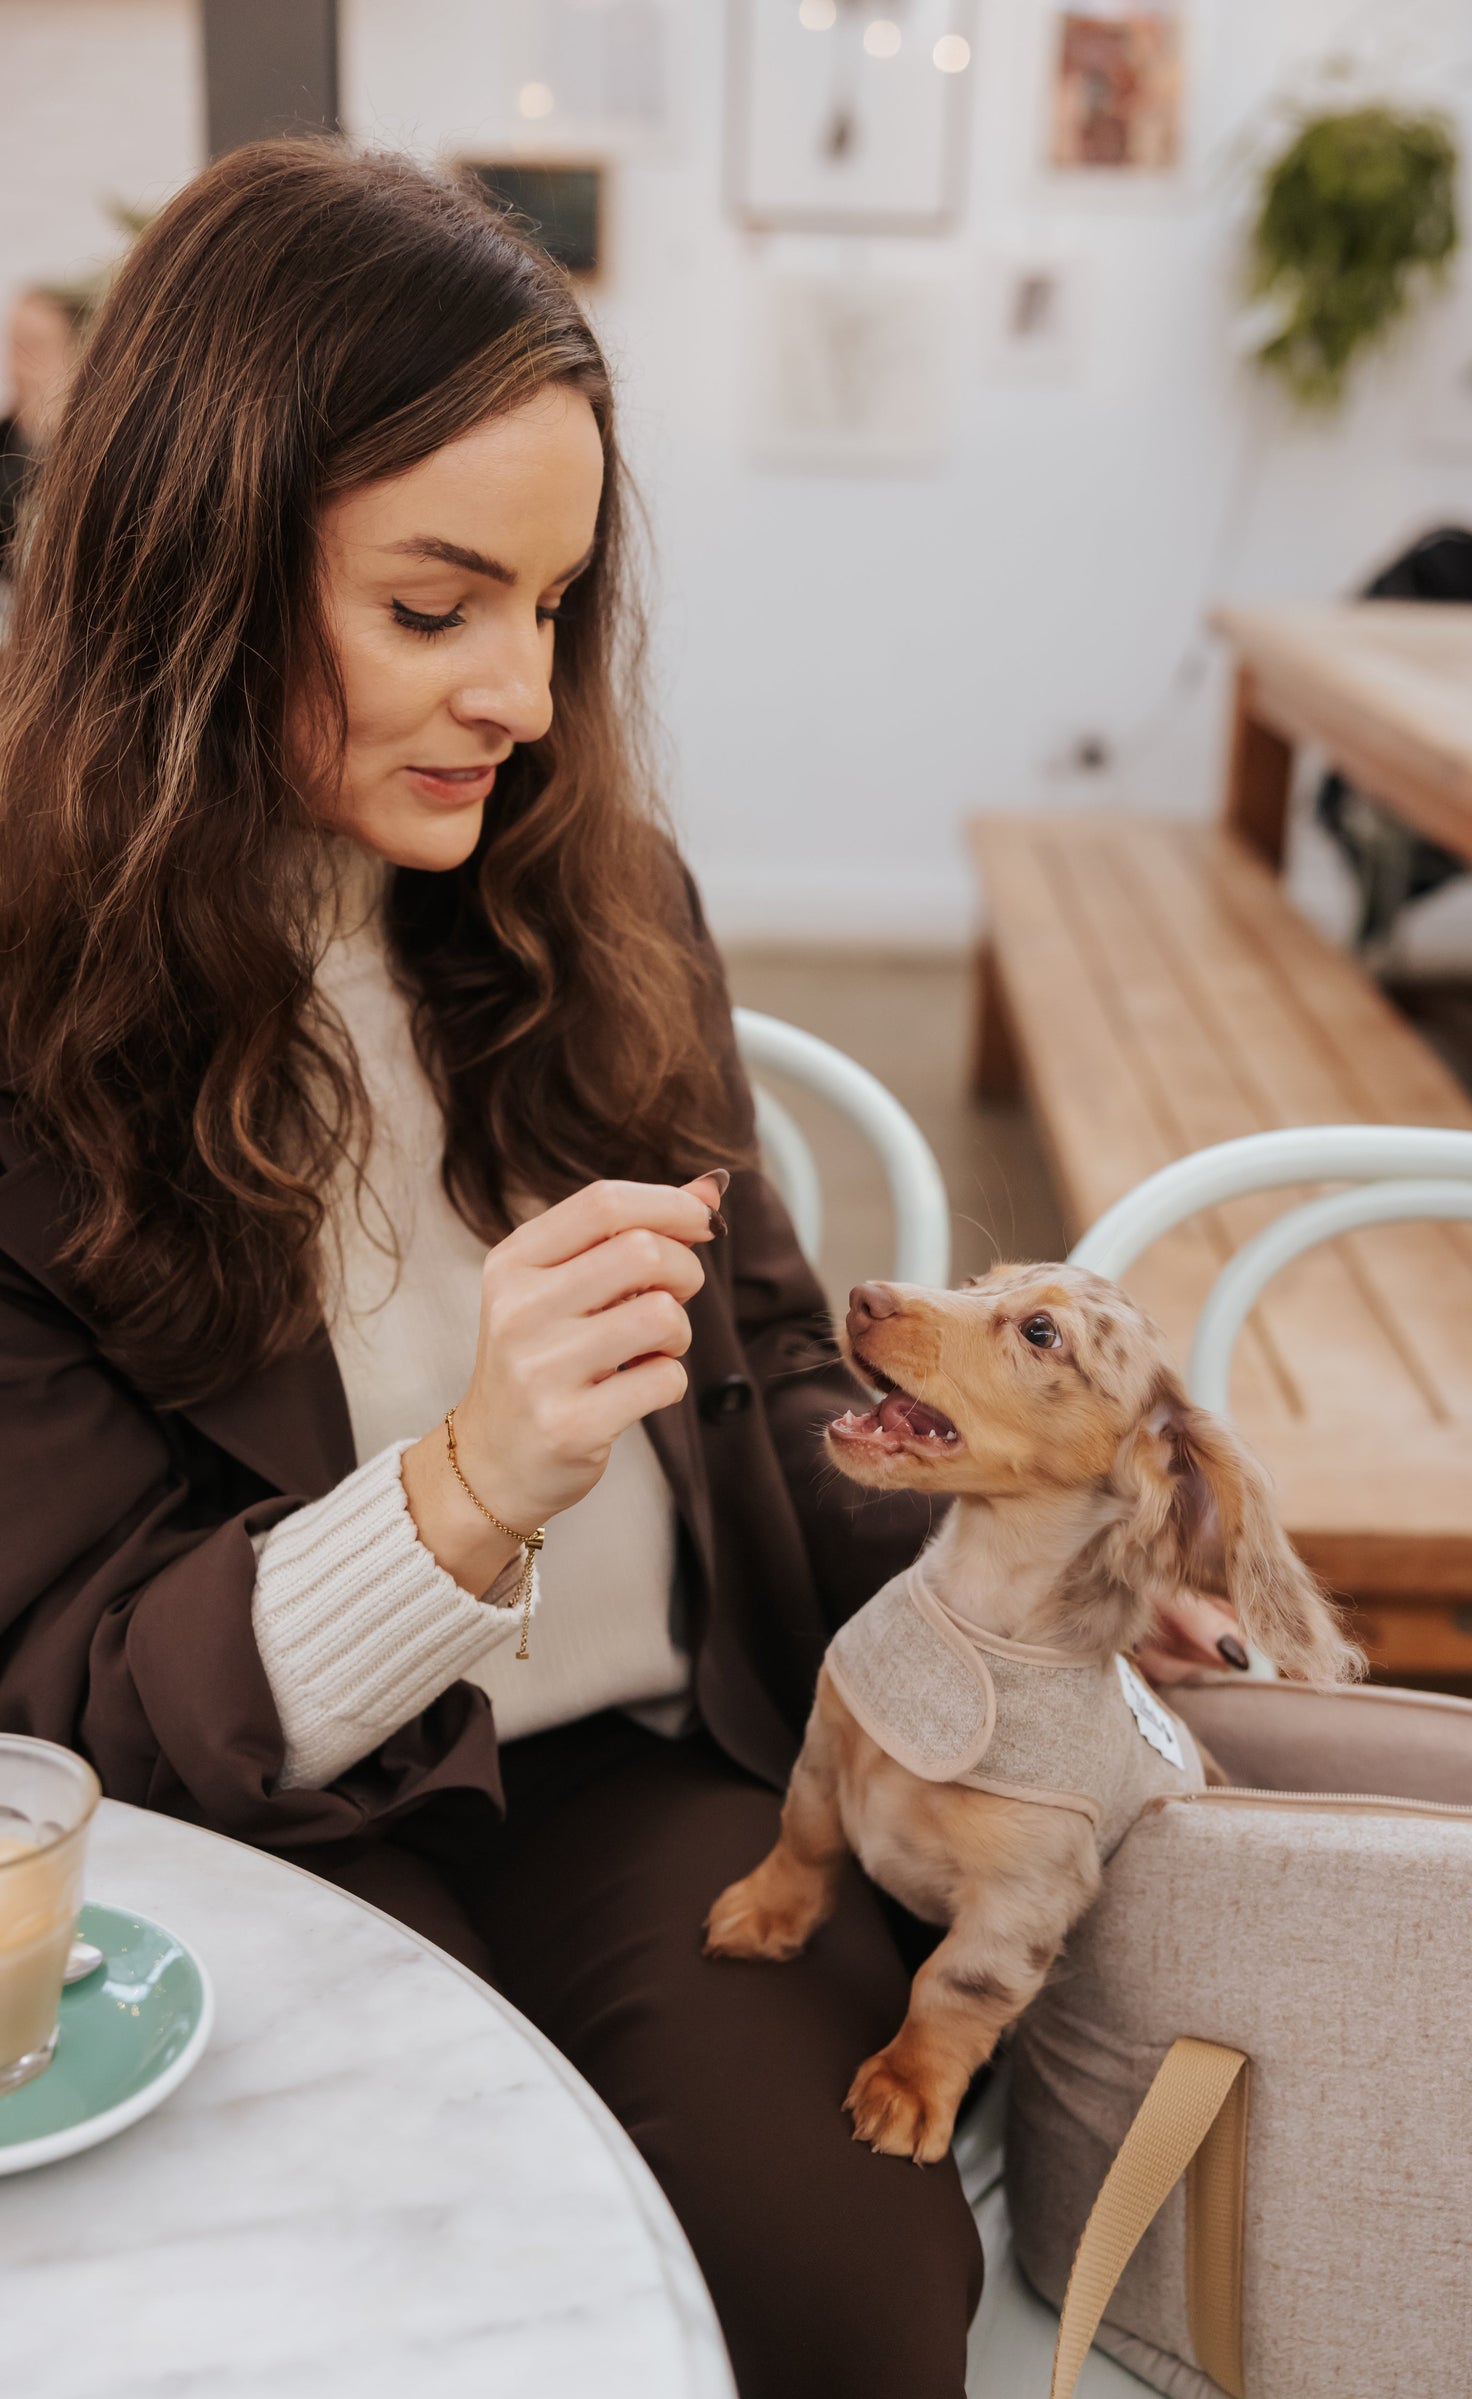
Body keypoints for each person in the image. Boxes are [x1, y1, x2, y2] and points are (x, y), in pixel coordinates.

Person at [0, 142, 1241, 2396]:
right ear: (196, 573)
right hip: (255, 1827)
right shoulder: (25, 1012)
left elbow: (766, 1381)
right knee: (410, 2321)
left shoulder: (597, 902)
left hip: (649, 1765)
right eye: (433, 604)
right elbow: (62, 1687)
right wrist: (460, 1489)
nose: (526, 696)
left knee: (851, 2317)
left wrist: (1032, 1540)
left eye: (553, 606)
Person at [0, 284, 90, 576]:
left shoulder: (102, 456)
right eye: (14, 346)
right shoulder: (6, 442)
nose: (17, 368)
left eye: (34, 347)